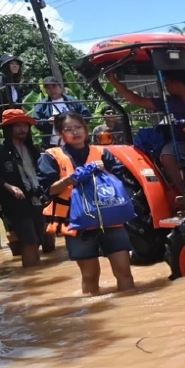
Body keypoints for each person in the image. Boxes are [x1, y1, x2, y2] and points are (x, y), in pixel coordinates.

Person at [37, 112, 137, 296]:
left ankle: (130, 306)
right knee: (90, 275)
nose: (75, 132)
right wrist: (70, 180)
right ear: (60, 133)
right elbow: (47, 190)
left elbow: (123, 180)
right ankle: (93, 306)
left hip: (110, 218)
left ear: (86, 129)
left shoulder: (102, 152)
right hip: (76, 222)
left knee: (124, 270)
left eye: (78, 127)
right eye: (68, 129)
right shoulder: (51, 156)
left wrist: (104, 171)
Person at [0, 108, 55, 266]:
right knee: (29, 242)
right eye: (17, 126)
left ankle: (33, 278)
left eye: (25, 125)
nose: (23, 129)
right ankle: (31, 279)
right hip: (16, 205)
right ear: (8, 129)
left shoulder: (33, 150)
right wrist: (5, 185)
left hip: (37, 201)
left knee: (37, 241)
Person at [108, 68, 185, 195]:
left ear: (176, 82)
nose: (166, 86)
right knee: (167, 156)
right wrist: (113, 80)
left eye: (167, 83)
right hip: (180, 143)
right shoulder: (171, 101)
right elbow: (137, 100)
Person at [33, 77, 89, 148]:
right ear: (46, 90)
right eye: (48, 88)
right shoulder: (41, 105)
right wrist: (48, 122)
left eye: (54, 86)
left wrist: (75, 120)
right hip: (53, 145)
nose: (52, 90)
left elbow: (87, 115)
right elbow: (35, 121)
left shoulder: (72, 101)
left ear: (60, 87)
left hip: (75, 143)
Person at [0, 54, 31, 125]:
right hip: (6, 117)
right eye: (11, 63)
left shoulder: (13, 82)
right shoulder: (0, 79)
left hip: (15, 115)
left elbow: (17, 102)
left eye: (17, 64)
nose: (15, 66)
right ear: (5, 66)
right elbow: (3, 100)